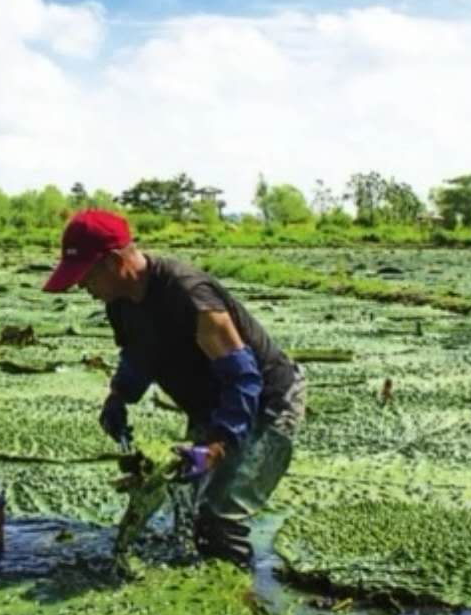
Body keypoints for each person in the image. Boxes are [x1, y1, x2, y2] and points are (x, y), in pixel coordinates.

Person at [41, 209, 304, 567]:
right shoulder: (119, 304)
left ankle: (239, 600)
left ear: (115, 262)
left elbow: (243, 379)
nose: (81, 288)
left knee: (218, 518)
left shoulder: (190, 296)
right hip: (208, 404)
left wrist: (217, 446)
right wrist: (119, 396)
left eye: (86, 277)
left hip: (265, 402)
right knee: (188, 509)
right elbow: (138, 353)